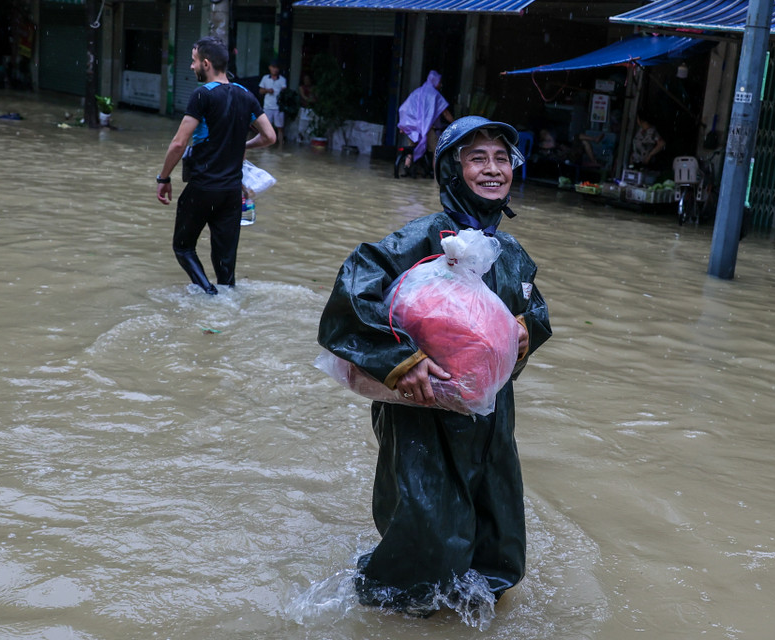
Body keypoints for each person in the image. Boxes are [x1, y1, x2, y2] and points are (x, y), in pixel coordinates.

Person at [317, 116, 551, 616]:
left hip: (491, 417)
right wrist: (401, 360)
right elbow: (353, 289)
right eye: (477, 158)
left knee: (497, 532)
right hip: (422, 414)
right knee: (427, 534)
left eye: (502, 159)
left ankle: (469, 613)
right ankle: (386, 612)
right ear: (451, 170)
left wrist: (529, 330)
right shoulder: (423, 239)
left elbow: (534, 312)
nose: (493, 170)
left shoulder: (511, 253)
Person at [155, 36, 276, 295]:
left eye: (194, 61)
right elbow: (270, 136)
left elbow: (178, 144)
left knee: (184, 247)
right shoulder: (246, 95)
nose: (191, 66)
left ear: (206, 64)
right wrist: (244, 145)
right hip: (232, 193)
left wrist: (163, 178)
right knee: (225, 264)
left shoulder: (201, 95)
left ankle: (208, 294)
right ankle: (225, 299)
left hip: (202, 189)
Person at [397, 70, 454, 175]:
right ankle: (436, 179)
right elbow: (445, 113)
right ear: (435, 81)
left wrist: (403, 124)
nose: (441, 85)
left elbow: (404, 109)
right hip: (427, 129)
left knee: (411, 149)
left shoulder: (417, 92)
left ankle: (405, 168)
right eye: (439, 82)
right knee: (436, 151)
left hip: (413, 128)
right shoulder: (435, 95)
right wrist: (455, 123)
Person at [259, 60, 287, 147]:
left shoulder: (282, 79)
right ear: (270, 68)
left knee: (280, 128)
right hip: (267, 107)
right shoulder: (265, 78)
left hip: (278, 107)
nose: (275, 69)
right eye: (273, 67)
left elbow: (285, 92)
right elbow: (260, 91)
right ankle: (265, 146)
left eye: (276, 68)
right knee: (265, 128)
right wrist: (267, 90)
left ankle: (280, 146)